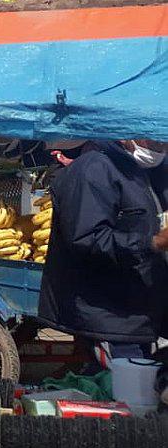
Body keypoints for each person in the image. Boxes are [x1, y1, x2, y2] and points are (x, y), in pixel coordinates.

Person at [38, 139, 168, 360]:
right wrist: (153, 242)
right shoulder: (94, 169)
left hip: (141, 315)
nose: (162, 146)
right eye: (156, 139)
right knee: (123, 389)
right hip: (110, 317)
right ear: (127, 135)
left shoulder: (146, 171)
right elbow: (87, 239)